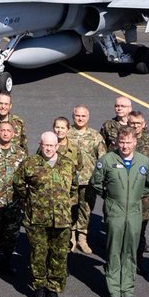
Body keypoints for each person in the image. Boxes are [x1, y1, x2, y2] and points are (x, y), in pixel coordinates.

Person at [91, 127, 149, 297]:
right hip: (115, 211)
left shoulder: (143, 162)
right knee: (113, 250)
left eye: (128, 142)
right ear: (117, 143)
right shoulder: (107, 160)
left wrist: (134, 195)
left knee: (130, 251)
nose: (125, 146)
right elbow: (96, 182)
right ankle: (113, 291)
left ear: (135, 142)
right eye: (122, 142)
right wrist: (111, 197)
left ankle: (127, 291)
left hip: (134, 211)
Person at [14, 131, 77, 297]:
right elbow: (18, 183)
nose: (48, 148)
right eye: (45, 145)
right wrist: (30, 201)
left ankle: (53, 289)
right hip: (37, 218)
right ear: (40, 145)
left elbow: (73, 187)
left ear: (57, 146)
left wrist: (63, 203)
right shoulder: (30, 163)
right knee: (38, 255)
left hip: (61, 219)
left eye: (51, 145)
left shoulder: (67, 163)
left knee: (59, 255)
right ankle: (39, 288)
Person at [0, 121, 27, 276]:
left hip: (14, 201)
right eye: (2, 130)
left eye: (8, 130)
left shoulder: (21, 153)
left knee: (11, 233)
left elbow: (25, 177)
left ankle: (7, 259)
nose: (5, 133)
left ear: (13, 134)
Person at [128, 110, 149, 273]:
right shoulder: (122, 139)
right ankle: (122, 261)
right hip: (125, 191)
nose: (135, 126)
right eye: (132, 123)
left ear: (143, 124)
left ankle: (138, 260)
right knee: (124, 229)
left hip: (143, 194)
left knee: (140, 229)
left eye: (138, 123)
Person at [67, 104, 106, 254]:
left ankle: (82, 238)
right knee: (70, 208)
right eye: (78, 115)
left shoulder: (95, 136)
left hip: (88, 180)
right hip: (69, 180)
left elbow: (102, 158)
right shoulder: (66, 133)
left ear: (88, 117)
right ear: (73, 116)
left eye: (83, 116)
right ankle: (70, 237)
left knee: (86, 209)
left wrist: (100, 178)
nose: (80, 118)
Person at [53, 116, 93, 254]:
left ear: (68, 129)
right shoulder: (48, 145)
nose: (59, 130)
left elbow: (79, 166)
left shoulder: (74, 149)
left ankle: (73, 239)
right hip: (52, 192)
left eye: (62, 127)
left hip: (69, 191)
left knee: (71, 215)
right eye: (57, 127)